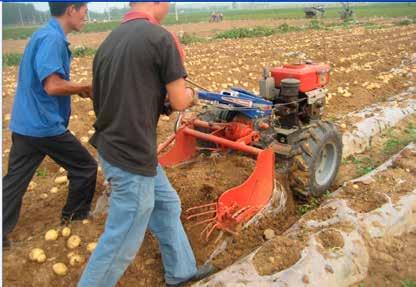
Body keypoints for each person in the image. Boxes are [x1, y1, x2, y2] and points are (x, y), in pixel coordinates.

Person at [78, 2, 215, 287]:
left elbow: (115, 95)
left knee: (166, 204)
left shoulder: (111, 41)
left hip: (113, 144)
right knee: (122, 239)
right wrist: (190, 94)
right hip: (131, 153)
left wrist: (157, 103)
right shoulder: (160, 37)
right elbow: (179, 101)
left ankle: (181, 272)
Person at [3, 2, 97, 249]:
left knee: (15, 180)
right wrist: (84, 87)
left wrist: (77, 90)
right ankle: (74, 218)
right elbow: (52, 85)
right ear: (71, 10)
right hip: (44, 124)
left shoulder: (43, 33)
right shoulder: (52, 39)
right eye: (84, 12)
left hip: (25, 123)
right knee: (85, 166)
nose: (85, 17)